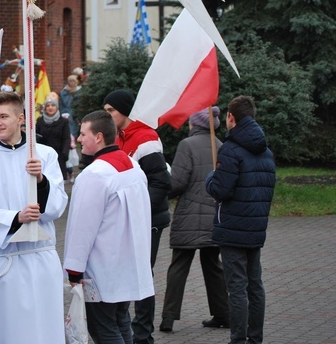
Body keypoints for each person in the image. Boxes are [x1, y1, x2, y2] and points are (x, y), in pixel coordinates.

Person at [0, 91, 68, 344]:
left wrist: (41, 180)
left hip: (41, 259)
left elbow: (57, 206)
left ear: (21, 118)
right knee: (10, 333)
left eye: (3, 116)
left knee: (45, 331)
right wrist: (17, 217)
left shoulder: (44, 155)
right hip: (6, 265)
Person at [64, 110, 154, 344]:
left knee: (103, 328)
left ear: (99, 137)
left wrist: (74, 268)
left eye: (84, 134)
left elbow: (83, 227)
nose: (80, 139)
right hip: (127, 263)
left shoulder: (95, 174)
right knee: (120, 320)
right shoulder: (133, 165)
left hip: (101, 269)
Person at [205, 96, 275, 344]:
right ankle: (255, 338)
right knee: (255, 285)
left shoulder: (230, 149)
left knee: (237, 287)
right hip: (255, 227)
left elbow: (221, 190)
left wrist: (210, 179)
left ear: (231, 117)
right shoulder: (265, 150)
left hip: (233, 227)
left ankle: (238, 340)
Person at [103, 89, 171, 344]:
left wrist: (138, 209)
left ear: (126, 111)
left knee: (142, 275)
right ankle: (128, 330)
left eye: (112, 110)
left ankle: (143, 336)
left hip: (149, 219)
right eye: (106, 110)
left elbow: (161, 183)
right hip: (130, 218)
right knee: (130, 272)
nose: (108, 115)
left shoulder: (145, 138)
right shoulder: (119, 137)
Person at [159, 107, 229, 332]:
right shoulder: (220, 146)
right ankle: (223, 314)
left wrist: (162, 191)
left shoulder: (186, 145)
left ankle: (168, 318)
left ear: (193, 124)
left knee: (179, 266)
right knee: (213, 266)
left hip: (189, 216)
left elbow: (178, 182)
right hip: (215, 216)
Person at [35, 92, 71, 180]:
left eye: (53, 105)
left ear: (57, 107)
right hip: (44, 156)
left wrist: (65, 153)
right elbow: (36, 137)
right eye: (48, 106)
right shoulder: (40, 121)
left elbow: (66, 138)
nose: (50, 108)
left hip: (59, 156)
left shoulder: (63, 121)